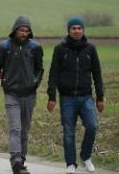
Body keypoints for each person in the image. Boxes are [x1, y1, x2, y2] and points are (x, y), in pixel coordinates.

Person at [47, 17, 105, 174]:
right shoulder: (60, 49)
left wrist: (100, 97)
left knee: (92, 126)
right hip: (67, 98)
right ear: (68, 30)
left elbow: (97, 74)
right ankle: (71, 163)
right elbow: (53, 74)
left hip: (86, 97)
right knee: (68, 132)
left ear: (83, 30)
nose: (77, 31)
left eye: (79, 28)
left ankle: (86, 157)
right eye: (74, 28)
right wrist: (51, 96)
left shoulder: (90, 49)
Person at [0, 16, 44, 174]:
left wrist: (34, 82)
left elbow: (40, 69)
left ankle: (22, 161)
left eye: (27, 31)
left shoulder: (35, 47)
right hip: (11, 93)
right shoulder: (4, 47)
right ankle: (15, 160)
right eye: (21, 30)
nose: (24, 33)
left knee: (24, 130)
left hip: (29, 95)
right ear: (15, 30)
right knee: (15, 128)